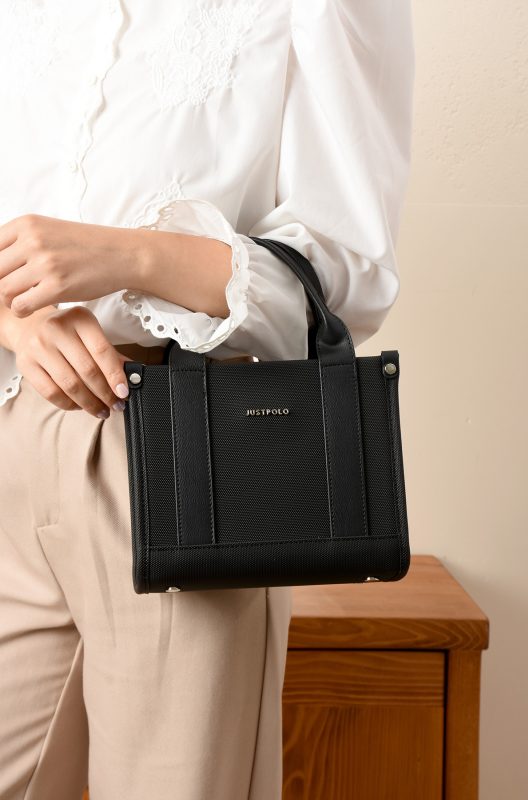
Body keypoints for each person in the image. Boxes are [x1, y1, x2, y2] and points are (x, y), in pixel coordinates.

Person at [0, 1, 415, 798]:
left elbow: (348, 274)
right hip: (15, 423)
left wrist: (132, 255)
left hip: (179, 451)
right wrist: (18, 321)